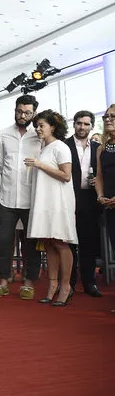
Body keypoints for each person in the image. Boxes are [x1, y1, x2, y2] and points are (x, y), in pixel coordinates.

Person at [0, 94, 43, 300]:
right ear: (15, 110)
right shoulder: (3, 134)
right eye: (19, 111)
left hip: (31, 199)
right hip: (7, 199)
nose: (22, 115)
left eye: (27, 112)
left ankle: (29, 283)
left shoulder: (38, 135)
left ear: (34, 113)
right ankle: (3, 282)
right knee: (3, 242)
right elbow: (1, 168)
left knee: (31, 243)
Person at [25, 110, 77, 306]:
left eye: (41, 126)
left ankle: (65, 286)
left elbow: (66, 175)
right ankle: (52, 285)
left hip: (59, 202)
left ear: (53, 127)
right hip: (45, 201)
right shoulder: (43, 148)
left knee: (61, 243)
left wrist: (40, 165)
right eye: (36, 126)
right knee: (48, 243)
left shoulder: (60, 147)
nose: (38, 129)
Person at [64, 111, 102, 298]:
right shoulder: (64, 145)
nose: (82, 127)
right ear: (74, 124)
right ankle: (69, 284)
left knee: (89, 243)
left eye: (86, 124)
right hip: (69, 198)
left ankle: (89, 282)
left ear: (91, 127)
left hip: (90, 199)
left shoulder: (98, 147)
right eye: (79, 123)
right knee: (69, 243)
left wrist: (99, 182)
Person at [95, 104, 115, 313]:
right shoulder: (103, 147)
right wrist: (100, 195)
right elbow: (99, 175)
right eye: (106, 116)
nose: (108, 119)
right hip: (109, 205)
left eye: (113, 116)